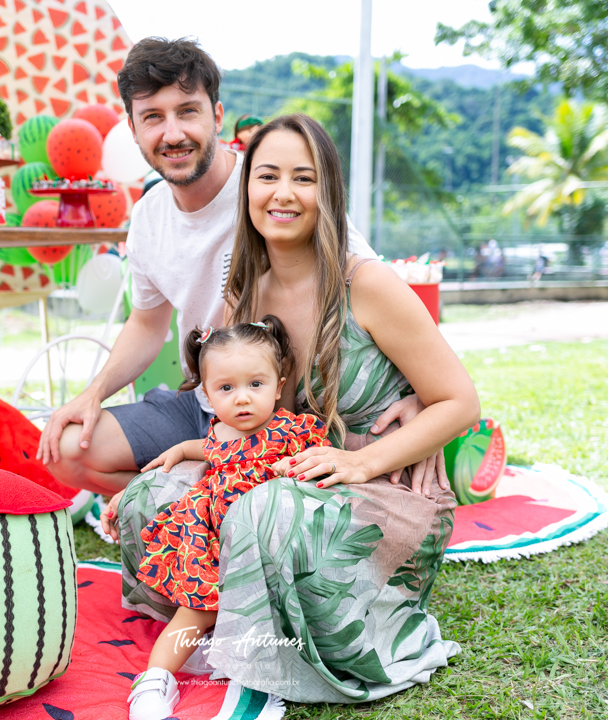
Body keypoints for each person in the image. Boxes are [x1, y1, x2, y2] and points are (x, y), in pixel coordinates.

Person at [110, 114, 481, 704]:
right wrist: (189, 455)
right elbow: (246, 414)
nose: (283, 193)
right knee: (154, 495)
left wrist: (364, 461)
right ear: (247, 189)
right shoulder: (245, 292)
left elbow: (460, 401)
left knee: (269, 511)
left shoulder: (367, 285)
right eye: (268, 176)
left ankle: (268, 636)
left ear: (326, 194)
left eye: (303, 178)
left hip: (379, 482)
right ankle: (220, 626)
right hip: (277, 464)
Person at [37, 37, 441, 497]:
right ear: (132, 129)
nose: (172, 133)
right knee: (68, 449)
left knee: (273, 490)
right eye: (153, 117)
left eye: (187, 111)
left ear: (217, 115)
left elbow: (365, 282)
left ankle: (209, 497)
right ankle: (193, 499)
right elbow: (148, 323)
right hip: (205, 399)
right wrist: (93, 393)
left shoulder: (274, 187)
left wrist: (423, 402)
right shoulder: (149, 218)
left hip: (276, 404)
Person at [126, 317, 328, 720]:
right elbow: (198, 446)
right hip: (213, 546)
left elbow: (320, 465)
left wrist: (294, 469)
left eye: (256, 384)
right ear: (207, 394)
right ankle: (154, 678)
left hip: (266, 547)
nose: (242, 399)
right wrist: (179, 453)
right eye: (226, 388)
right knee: (197, 610)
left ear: (280, 384)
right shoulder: (219, 436)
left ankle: (254, 674)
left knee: (260, 615)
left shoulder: (292, 430)